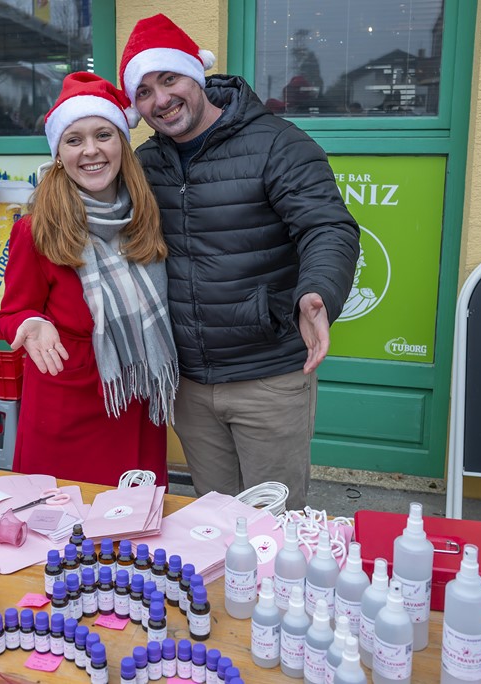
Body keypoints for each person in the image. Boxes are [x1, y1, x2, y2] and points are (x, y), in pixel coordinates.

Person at [119, 15, 360, 508]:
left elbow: (327, 226)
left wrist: (318, 291)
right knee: (215, 522)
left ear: (196, 75)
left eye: (169, 79)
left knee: (273, 525)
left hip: (267, 377)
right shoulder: (145, 164)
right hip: (189, 383)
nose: (161, 99)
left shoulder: (276, 143)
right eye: (144, 92)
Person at [0, 72, 177, 487]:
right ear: (59, 154)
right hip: (67, 407)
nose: (91, 150)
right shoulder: (36, 229)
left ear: (122, 145)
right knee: (64, 518)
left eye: (103, 135)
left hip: (136, 400)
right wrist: (31, 322)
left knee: (135, 519)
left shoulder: (145, 215)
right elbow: (12, 312)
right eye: (74, 140)